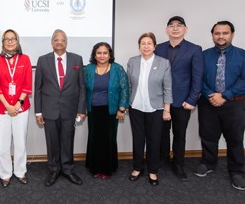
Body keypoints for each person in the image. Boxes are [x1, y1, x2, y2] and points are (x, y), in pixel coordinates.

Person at [193, 21, 245, 191]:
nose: (221, 36)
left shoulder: (243, 55)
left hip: (235, 104)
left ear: (232, 34)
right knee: (208, 135)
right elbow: (197, 78)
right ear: (212, 35)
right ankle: (208, 162)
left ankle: (236, 171)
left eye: (225, 33)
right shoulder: (203, 55)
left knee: (235, 139)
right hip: (208, 103)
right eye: (217, 33)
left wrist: (224, 95)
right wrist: (211, 94)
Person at [34, 29, 86, 186]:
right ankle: (54, 169)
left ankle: (68, 169)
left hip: (70, 110)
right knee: (52, 142)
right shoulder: (43, 60)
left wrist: (81, 109)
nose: (59, 42)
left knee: (67, 140)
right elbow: (38, 88)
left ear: (66, 42)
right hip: (49, 110)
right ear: (51, 42)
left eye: (62, 40)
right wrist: (38, 111)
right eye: (56, 40)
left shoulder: (77, 60)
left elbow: (82, 87)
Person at [155, 16, 203, 181]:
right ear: (166, 29)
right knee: (162, 133)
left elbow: (197, 77)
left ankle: (178, 164)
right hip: (161, 101)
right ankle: (162, 161)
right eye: (171, 26)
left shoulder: (195, 49)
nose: (175, 28)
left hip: (183, 101)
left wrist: (192, 100)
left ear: (185, 29)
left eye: (179, 26)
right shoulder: (158, 48)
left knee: (179, 134)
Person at [127, 32, 172, 186]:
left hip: (156, 108)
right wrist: (127, 103)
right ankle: (137, 168)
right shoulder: (132, 62)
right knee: (138, 139)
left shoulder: (163, 63)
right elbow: (129, 85)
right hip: (136, 107)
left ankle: (153, 171)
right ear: (139, 46)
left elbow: (167, 88)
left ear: (154, 46)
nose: (146, 46)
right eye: (143, 43)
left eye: (149, 43)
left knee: (154, 140)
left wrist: (167, 109)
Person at [0, 29, 32, 187]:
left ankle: (20, 172)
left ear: (17, 41)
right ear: (2, 42)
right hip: (2, 108)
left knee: (20, 142)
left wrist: (17, 105)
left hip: (21, 108)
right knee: (3, 144)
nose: (10, 41)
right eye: (6, 39)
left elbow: (27, 85)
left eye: (13, 39)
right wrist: (8, 106)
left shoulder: (25, 59)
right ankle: (5, 174)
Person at [84, 42, 129, 178]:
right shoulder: (89, 69)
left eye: (105, 53)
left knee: (109, 139)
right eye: (99, 53)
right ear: (94, 55)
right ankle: (95, 167)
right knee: (94, 138)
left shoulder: (117, 69)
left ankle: (107, 168)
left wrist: (122, 109)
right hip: (93, 110)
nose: (102, 55)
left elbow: (125, 89)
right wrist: (83, 107)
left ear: (110, 55)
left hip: (111, 110)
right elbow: (82, 89)